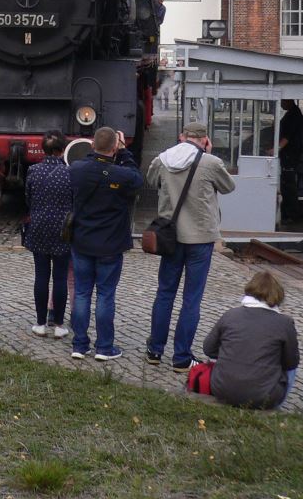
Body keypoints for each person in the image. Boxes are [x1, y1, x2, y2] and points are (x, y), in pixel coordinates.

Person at [144, 120, 236, 371]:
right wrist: (209, 154)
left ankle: (155, 350)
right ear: (205, 140)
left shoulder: (162, 159)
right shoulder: (211, 163)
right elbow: (229, 186)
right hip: (200, 238)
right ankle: (182, 357)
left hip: (170, 238)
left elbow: (151, 180)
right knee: (191, 299)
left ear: (182, 137)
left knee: (165, 293)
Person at [67, 125, 142, 361]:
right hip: (110, 243)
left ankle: (79, 344)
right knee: (105, 295)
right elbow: (137, 178)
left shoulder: (77, 169)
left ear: (92, 145)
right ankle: (104, 347)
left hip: (82, 241)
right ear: (115, 147)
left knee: (81, 293)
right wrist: (124, 152)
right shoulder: (122, 175)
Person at [202, 271, 301, 410]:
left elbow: (208, 348)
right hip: (264, 397)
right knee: (292, 369)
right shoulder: (285, 323)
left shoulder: (230, 315)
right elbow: (291, 362)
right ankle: (276, 406)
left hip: (221, 390)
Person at [23, 129, 72, 338]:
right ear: (63, 149)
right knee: (60, 277)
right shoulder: (70, 172)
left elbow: (28, 198)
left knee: (41, 276)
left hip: (39, 226)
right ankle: (59, 324)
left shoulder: (33, 170)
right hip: (63, 229)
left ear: (43, 148)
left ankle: (41, 323)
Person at [277, 99, 303, 225]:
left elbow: (287, 137)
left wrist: (276, 149)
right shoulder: (292, 113)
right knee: (287, 184)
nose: (281, 103)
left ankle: (291, 215)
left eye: (282, 101)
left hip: (290, 155)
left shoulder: (293, 115)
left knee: (288, 185)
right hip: (289, 154)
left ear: (288, 100)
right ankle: (286, 214)